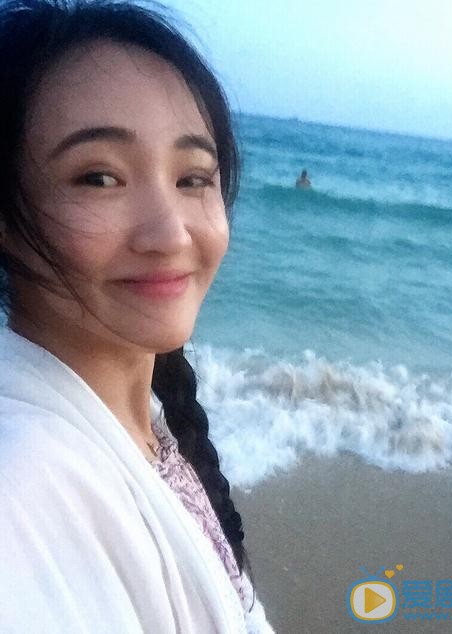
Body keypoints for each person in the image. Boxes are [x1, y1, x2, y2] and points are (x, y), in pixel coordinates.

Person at [0, 0, 275, 632]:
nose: (170, 234)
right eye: (99, 178)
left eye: (193, 178)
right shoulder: (23, 489)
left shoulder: (138, 433)